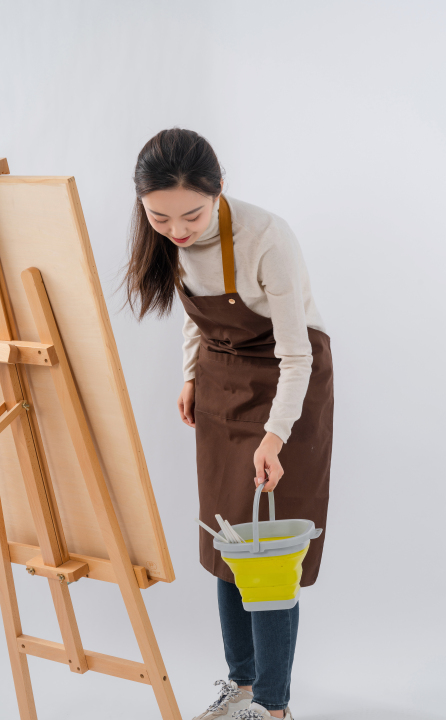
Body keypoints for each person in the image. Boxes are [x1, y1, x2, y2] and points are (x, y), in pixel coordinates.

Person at [122, 128, 334, 720]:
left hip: (285, 387)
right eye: (160, 219)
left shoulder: (267, 238)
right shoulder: (165, 232)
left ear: (219, 190)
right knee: (227, 543)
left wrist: (276, 435)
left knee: (268, 552)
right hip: (220, 380)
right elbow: (199, 311)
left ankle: (272, 705)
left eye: (191, 214)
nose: (178, 231)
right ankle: (241, 686)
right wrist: (191, 373)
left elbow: (299, 355)